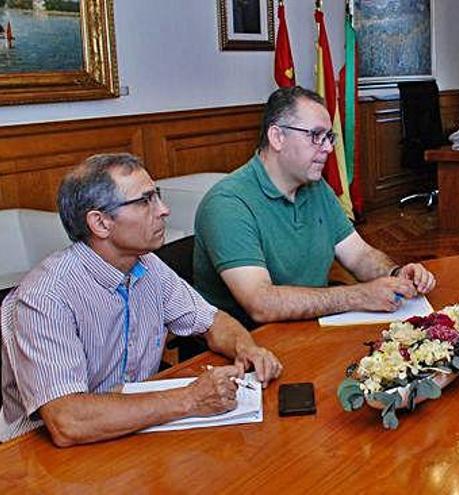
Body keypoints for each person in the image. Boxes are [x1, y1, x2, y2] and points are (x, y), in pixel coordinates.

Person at [0, 153, 283, 446]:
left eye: (157, 196)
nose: (164, 210)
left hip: (132, 429)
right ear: (100, 223)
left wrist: (247, 348)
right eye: (145, 201)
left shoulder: (147, 265)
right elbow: (67, 420)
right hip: (36, 453)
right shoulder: (45, 295)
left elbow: (212, 321)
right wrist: (190, 399)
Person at [194, 86, 436, 329]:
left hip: (310, 326)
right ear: (277, 137)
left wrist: (395, 275)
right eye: (316, 136)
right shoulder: (227, 204)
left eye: (329, 137)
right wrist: (359, 296)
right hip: (249, 347)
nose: (329, 148)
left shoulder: (315, 187)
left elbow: (359, 255)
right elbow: (261, 303)